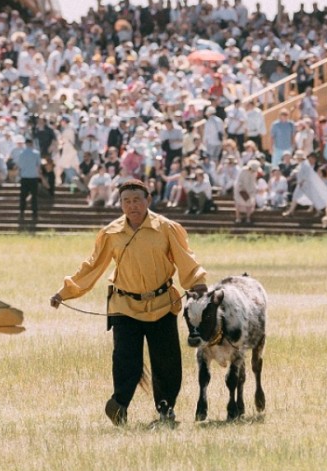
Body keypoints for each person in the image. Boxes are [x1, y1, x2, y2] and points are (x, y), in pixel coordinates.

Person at [49, 179, 208, 427]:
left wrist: (197, 282)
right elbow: (92, 265)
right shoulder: (111, 233)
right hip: (124, 305)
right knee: (125, 359)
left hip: (162, 304)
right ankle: (119, 405)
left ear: (148, 200)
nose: (132, 205)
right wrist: (65, 292)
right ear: (120, 203)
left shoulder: (166, 228)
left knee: (166, 361)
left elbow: (185, 257)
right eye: (126, 201)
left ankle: (166, 409)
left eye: (136, 200)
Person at [16, 136, 41, 225]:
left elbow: (19, 166)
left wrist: (19, 175)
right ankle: (34, 214)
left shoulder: (22, 153)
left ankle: (22, 212)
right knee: (34, 196)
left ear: (26, 144)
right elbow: (38, 165)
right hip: (33, 177)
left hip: (25, 177)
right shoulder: (36, 153)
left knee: (23, 196)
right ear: (32, 144)